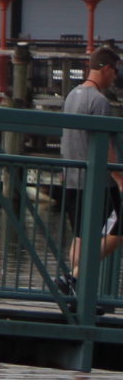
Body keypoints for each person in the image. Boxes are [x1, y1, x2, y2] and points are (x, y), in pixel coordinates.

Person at [61, 47, 123, 294]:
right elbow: (104, 144)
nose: (115, 77)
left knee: (81, 236)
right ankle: (73, 278)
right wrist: (119, 177)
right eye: (115, 71)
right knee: (118, 231)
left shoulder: (71, 96)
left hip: (72, 178)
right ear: (106, 68)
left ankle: (77, 289)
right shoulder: (99, 101)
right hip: (97, 183)